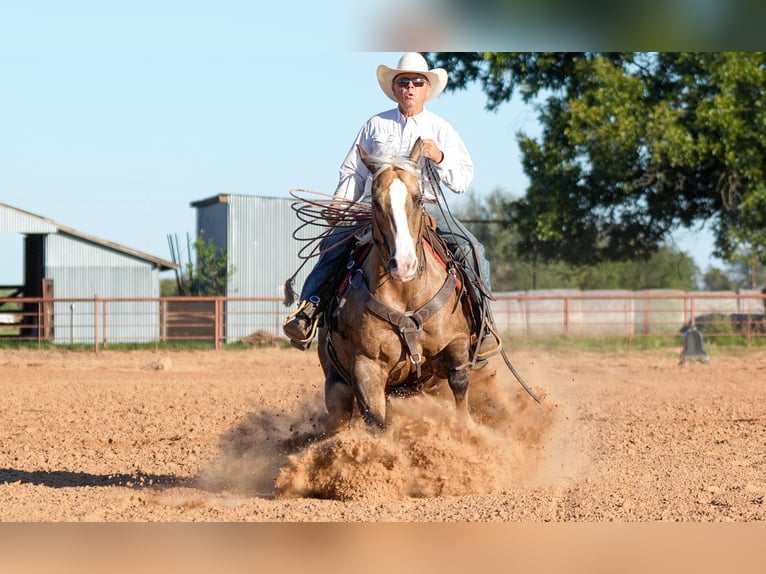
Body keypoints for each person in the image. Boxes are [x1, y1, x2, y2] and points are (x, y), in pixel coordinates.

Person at [283, 52, 500, 358]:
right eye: (404, 82)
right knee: (333, 244)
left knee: (472, 249)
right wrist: (342, 204)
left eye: (417, 82)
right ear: (395, 89)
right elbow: (354, 172)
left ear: (427, 89)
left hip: (425, 207)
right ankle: (309, 309)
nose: (410, 87)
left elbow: (462, 178)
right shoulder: (375, 125)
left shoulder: (441, 129)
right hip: (378, 209)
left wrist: (439, 157)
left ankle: (484, 325)